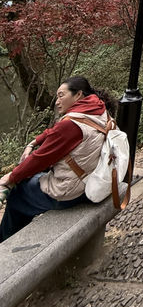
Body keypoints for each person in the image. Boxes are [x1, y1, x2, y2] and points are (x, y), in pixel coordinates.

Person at [0, 77, 116, 242]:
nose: (57, 101)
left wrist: (10, 177)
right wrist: (34, 142)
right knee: (30, 179)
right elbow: (55, 132)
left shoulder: (71, 125)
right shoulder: (97, 109)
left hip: (73, 192)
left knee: (19, 193)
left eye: (61, 95)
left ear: (78, 95)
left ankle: (5, 244)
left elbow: (39, 159)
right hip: (95, 179)